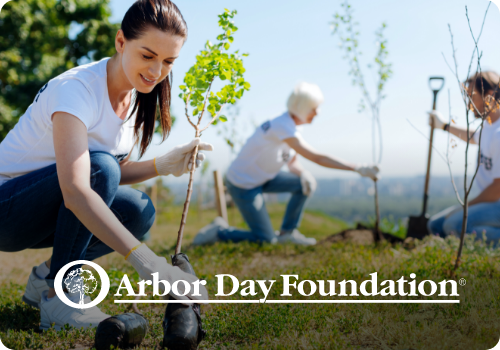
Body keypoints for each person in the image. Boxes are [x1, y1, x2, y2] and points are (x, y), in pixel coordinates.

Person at [0, 0, 210, 331]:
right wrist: (150, 264)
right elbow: (78, 188)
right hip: (6, 210)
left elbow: (110, 174)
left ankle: (47, 278)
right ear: (121, 42)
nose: (157, 72)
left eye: (169, 61)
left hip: (43, 208)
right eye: (147, 55)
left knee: (139, 211)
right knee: (101, 168)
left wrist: (162, 164)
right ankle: (61, 298)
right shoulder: (77, 90)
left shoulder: (133, 97)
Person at [193, 82, 379, 246]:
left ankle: (288, 233)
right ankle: (219, 231)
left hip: (264, 178)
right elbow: (317, 158)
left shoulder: (290, 128)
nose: (318, 112)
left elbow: (292, 163)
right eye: (314, 108)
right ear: (303, 108)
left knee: (302, 184)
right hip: (244, 184)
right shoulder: (282, 126)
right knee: (265, 239)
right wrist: (358, 168)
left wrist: (303, 174)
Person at [427, 71, 500, 242]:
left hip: (496, 202)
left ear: (489, 96)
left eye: (472, 98)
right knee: (435, 225)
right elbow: (474, 137)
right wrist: (443, 126)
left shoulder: (499, 134)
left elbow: (497, 190)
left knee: (452, 225)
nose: (469, 105)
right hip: (491, 203)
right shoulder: (490, 127)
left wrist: (464, 207)